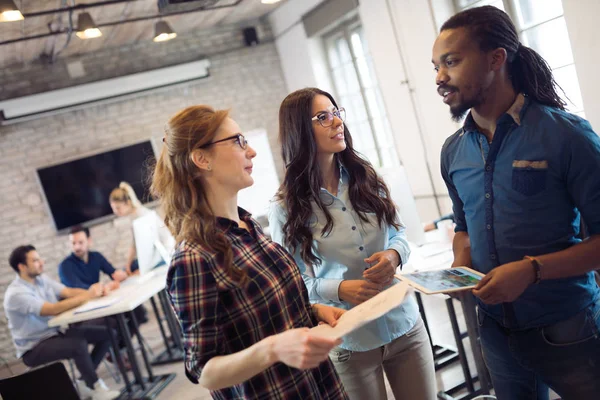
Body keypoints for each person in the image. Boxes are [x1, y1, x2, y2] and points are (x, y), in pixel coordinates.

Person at [433, 6, 600, 399]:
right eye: (436, 66)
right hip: (494, 330)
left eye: (452, 62)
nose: (440, 78)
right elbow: (463, 226)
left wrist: (532, 270)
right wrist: (462, 264)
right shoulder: (453, 152)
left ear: (496, 58)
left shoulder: (567, 136)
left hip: (567, 328)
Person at [150, 104, 349, 399]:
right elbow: (204, 370)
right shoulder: (194, 257)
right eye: (238, 141)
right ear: (202, 158)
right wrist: (272, 349)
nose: (251, 151)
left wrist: (313, 311)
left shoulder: (248, 226)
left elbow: (260, 317)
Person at [269, 88, 436, 400]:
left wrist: (393, 254)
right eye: (323, 117)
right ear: (300, 131)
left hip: (404, 323)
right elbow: (291, 284)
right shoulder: (285, 208)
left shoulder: (365, 178)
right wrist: (339, 289)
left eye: (336, 112)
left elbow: (400, 234)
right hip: (350, 341)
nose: (336, 122)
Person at [3, 245, 121, 400]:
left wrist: (96, 292)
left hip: (56, 333)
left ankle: (84, 382)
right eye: (35, 260)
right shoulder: (16, 294)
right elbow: (52, 309)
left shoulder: (41, 279)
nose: (41, 262)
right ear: (22, 266)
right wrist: (89, 295)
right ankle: (95, 387)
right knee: (78, 344)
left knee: (109, 334)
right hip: (34, 347)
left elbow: (68, 292)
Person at [59, 226, 147, 347]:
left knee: (139, 312)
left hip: (100, 305)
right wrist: (105, 287)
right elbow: (80, 289)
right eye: (73, 243)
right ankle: (117, 353)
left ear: (89, 241)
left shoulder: (96, 256)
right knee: (113, 322)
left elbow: (113, 272)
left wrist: (123, 274)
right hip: (81, 314)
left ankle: (120, 349)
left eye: (80, 242)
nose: (77, 247)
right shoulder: (65, 266)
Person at [108, 182, 151, 275]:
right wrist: (127, 264)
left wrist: (144, 269)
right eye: (113, 208)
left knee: (131, 269)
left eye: (118, 208)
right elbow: (135, 243)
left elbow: (149, 246)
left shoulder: (141, 216)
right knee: (126, 269)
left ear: (127, 203)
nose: (115, 212)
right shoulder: (134, 216)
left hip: (160, 256)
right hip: (150, 255)